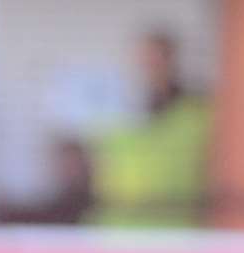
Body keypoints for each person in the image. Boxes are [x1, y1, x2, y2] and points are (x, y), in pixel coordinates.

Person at [90, 29, 213, 227]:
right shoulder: (112, 110)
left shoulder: (199, 111)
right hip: (119, 227)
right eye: (145, 58)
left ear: (173, 60)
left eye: (158, 57)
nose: (151, 66)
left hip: (179, 226)